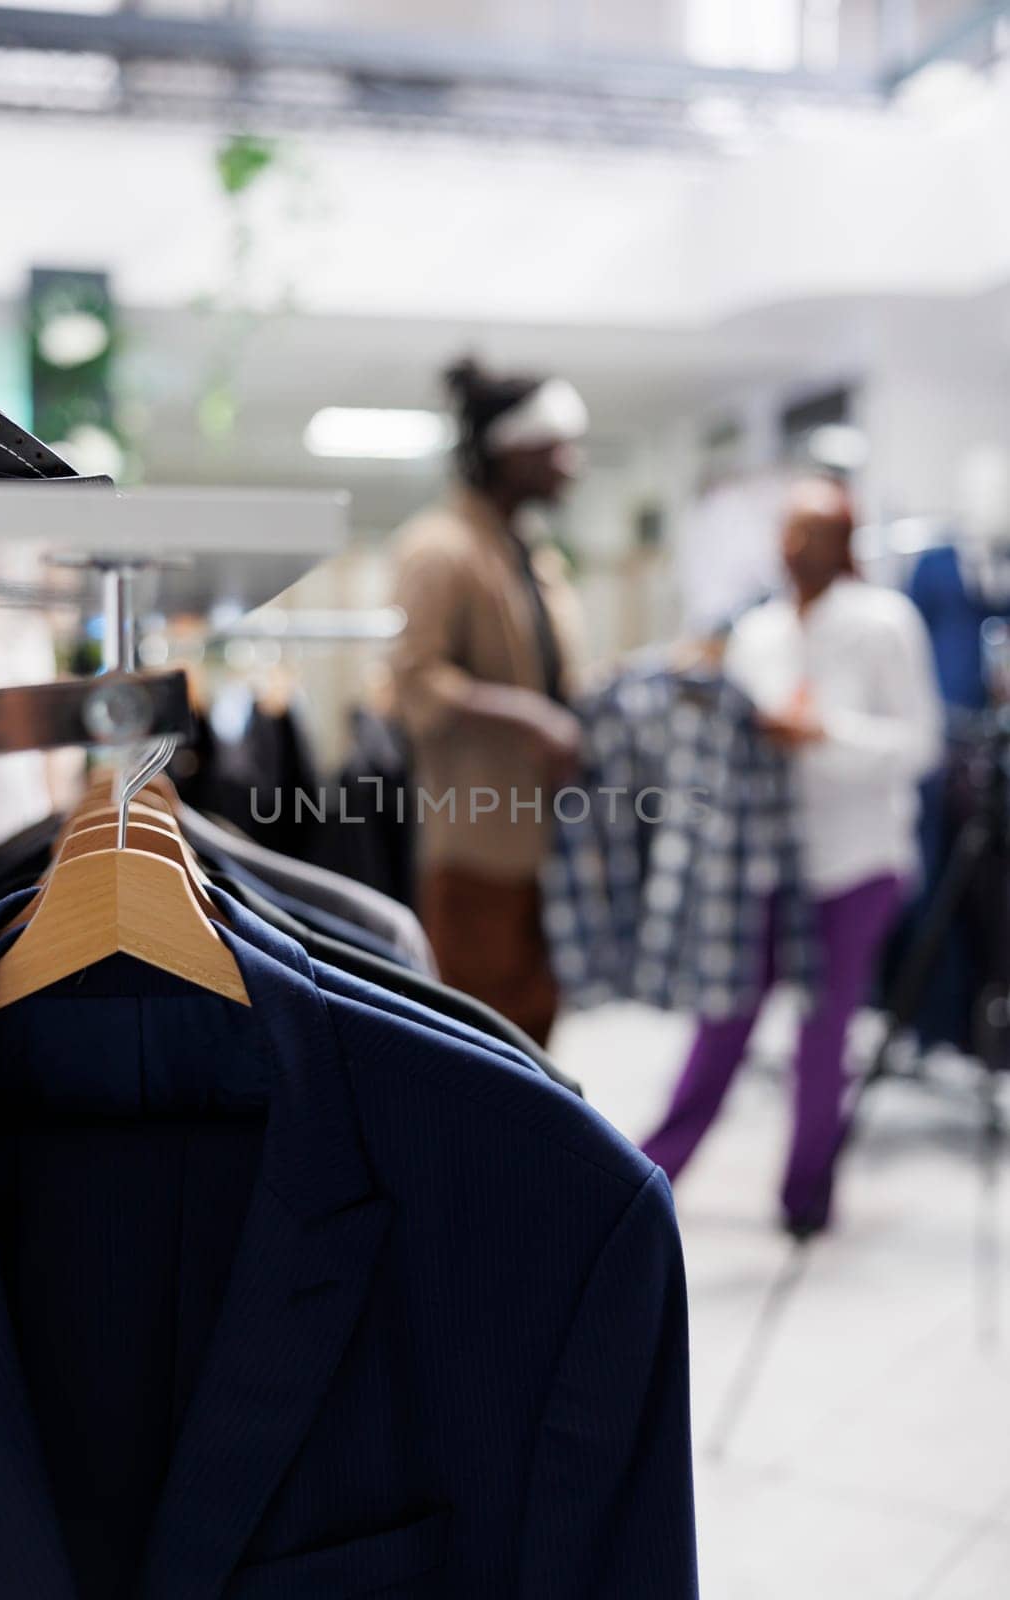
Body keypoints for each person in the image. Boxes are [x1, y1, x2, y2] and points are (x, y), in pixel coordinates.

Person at [642, 477, 944, 1235]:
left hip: (854, 863)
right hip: (766, 865)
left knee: (823, 1036)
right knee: (723, 1021)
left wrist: (824, 735)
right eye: (784, 531)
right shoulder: (760, 633)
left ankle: (805, 1198)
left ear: (841, 542)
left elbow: (919, 744)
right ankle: (648, 1175)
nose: (789, 547)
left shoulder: (883, 624)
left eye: (807, 533)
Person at [389, 357, 588, 1045]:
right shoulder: (439, 549)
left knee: (535, 1028)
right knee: (475, 1036)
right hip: (474, 842)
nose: (573, 465)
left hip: (547, 840)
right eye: (558, 448)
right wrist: (528, 716)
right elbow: (412, 678)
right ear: (513, 452)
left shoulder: (528, 551)